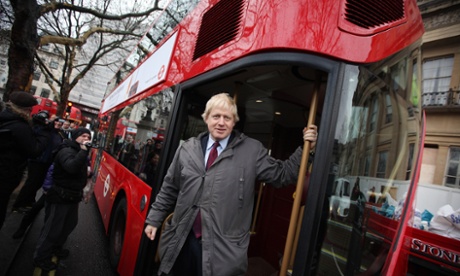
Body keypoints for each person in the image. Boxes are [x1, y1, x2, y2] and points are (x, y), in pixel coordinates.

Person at [144, 93, 318, 276]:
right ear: (206, 118)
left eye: (227, 118)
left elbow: (283, 175)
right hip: (181, 242)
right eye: (216, 116)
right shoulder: (187, 148)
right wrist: (154, 219)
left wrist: (307, 149)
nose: (221, 122)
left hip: (222, 254)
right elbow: (169, 188)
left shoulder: (252, 150)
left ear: (234, 122)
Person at [33, 127, 92, 271]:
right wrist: (84, 151)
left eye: (88, 136)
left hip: (72, 196)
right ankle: (41, 257)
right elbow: (71, 167)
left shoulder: (79, 151)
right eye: (83, 136)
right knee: (52, 229)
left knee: (69, 224)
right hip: (59, 196)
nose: (86, 139)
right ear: (75, 137)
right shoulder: (66, 150)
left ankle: (55, 248)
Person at [0, 91, 51, 230]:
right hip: (6, 175)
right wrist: (45, 132)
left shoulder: (6, 118)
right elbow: (35, 149)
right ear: (26, 109)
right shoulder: (20, 126)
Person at [12, 114, 65, 212]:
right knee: (31, 182)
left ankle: (29, 201)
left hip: (47, 162)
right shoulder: (45, 129)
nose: (59, 123)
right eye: (57, 121)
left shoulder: (59, 134)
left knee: (38, 183)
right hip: (37, 160)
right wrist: (49, 122)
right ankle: (19, 204)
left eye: (61, 122)